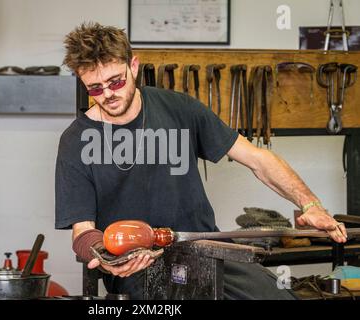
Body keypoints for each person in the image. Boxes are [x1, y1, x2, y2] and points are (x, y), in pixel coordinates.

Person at [55, 22, 347, 300]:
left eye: (115, 82)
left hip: (206, 250)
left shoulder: (180, 109)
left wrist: (310, 205)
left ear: (133, 66)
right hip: (138, 266)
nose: (107, 94)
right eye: (95, 88)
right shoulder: (75, 141)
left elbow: (259, 160)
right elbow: (82, 231)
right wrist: (105, 256)